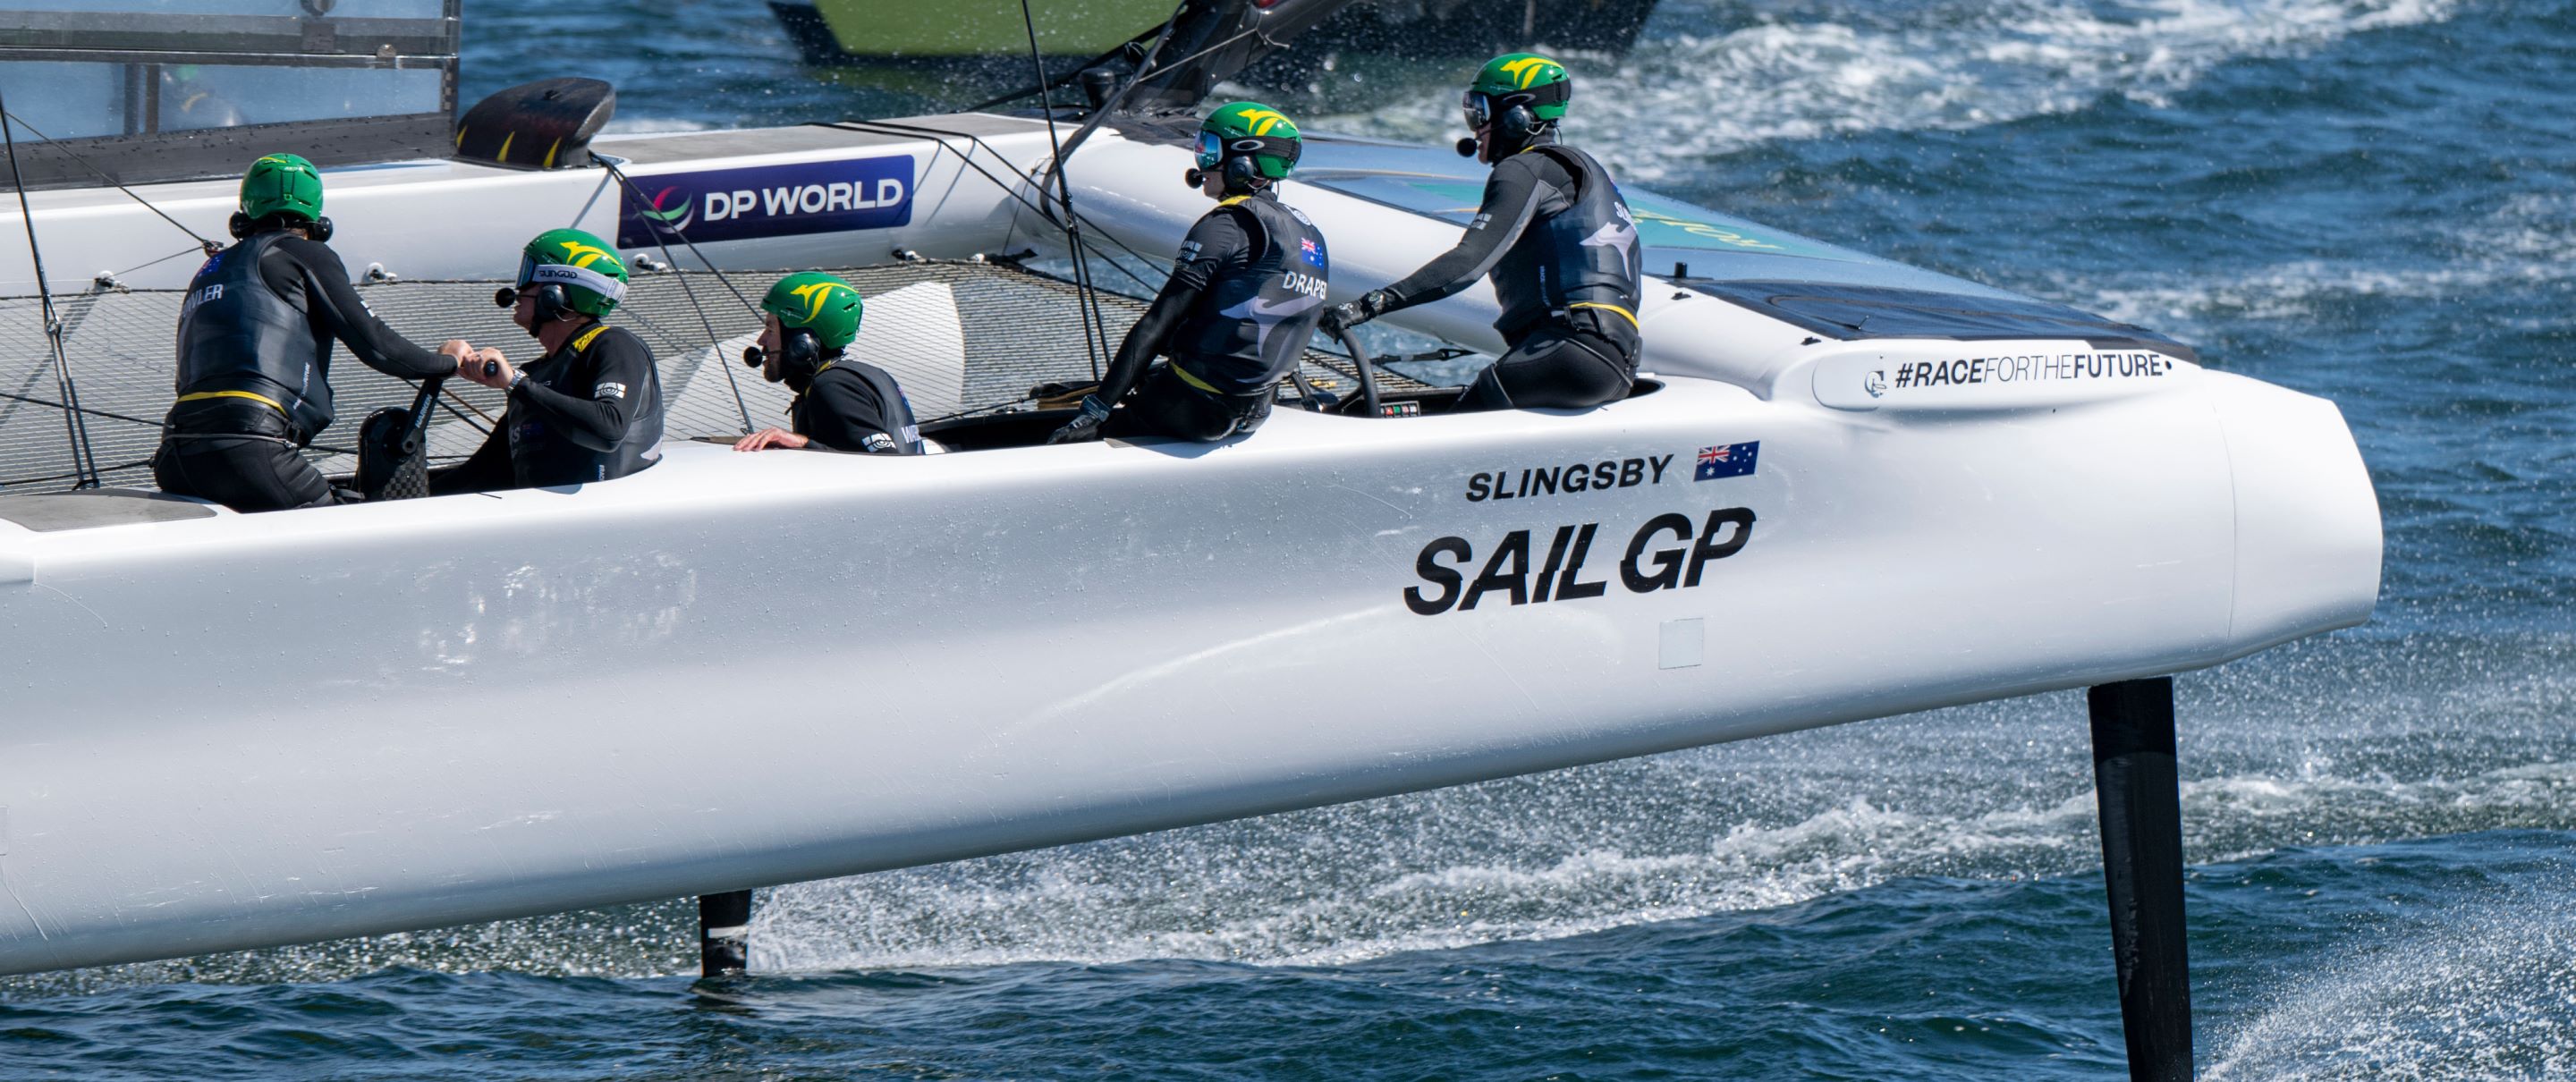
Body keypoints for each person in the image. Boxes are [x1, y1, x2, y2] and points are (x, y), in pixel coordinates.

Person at [1321, 54, 1643, 412]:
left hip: (1569, 352)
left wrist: (1370, 305)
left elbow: (1468, 262)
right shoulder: (1584, 172)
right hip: (1614, 361)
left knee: (1417, 430)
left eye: (1480, 112)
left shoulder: (1525, 168)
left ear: (1516, 117)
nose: (1475, 127)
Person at [153, 152, 471, 511]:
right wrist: (446, 362)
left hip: (175, 454)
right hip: (251, 451)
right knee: (350, 540)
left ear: (243, 215)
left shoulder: (210, 268)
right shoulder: (305, 253)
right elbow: (376, 345)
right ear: (318, 222)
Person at [1048, 101, 1330, 444]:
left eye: (1210, 151)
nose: (1201, 164)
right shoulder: (1308, 233)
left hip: (1195, 409)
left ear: (1245, 161)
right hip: (1254, 411)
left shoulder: (1227, 225)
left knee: (1071, 436)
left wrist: (1096, 409)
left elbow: (1156, 324)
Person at [431, 229, 664, 493]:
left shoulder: (613, 344)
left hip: (603, 523)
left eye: (528, 277)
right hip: (546, 525)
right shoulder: (537, 376)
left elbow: (608, 430)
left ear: (556, 293)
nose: (517, 290)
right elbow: (479, 474)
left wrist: (516, 382)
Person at [733, 272, 922, 455]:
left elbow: (886, 462)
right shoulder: (868, 374)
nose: (761, 340)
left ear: (802, 342)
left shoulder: (832, 386)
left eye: (770, 329)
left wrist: (802, 443)